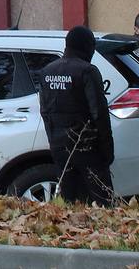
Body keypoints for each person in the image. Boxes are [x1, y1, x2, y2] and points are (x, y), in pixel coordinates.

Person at [37, 26, 115, 205]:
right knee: (103, 201)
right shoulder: (87, 71)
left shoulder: (47, 71)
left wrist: (54, 143)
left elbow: (45, 111)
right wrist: (107, 150)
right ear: (88, 46)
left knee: (69, 203)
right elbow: (99, 113)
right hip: (88, 147)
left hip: (60, 148)